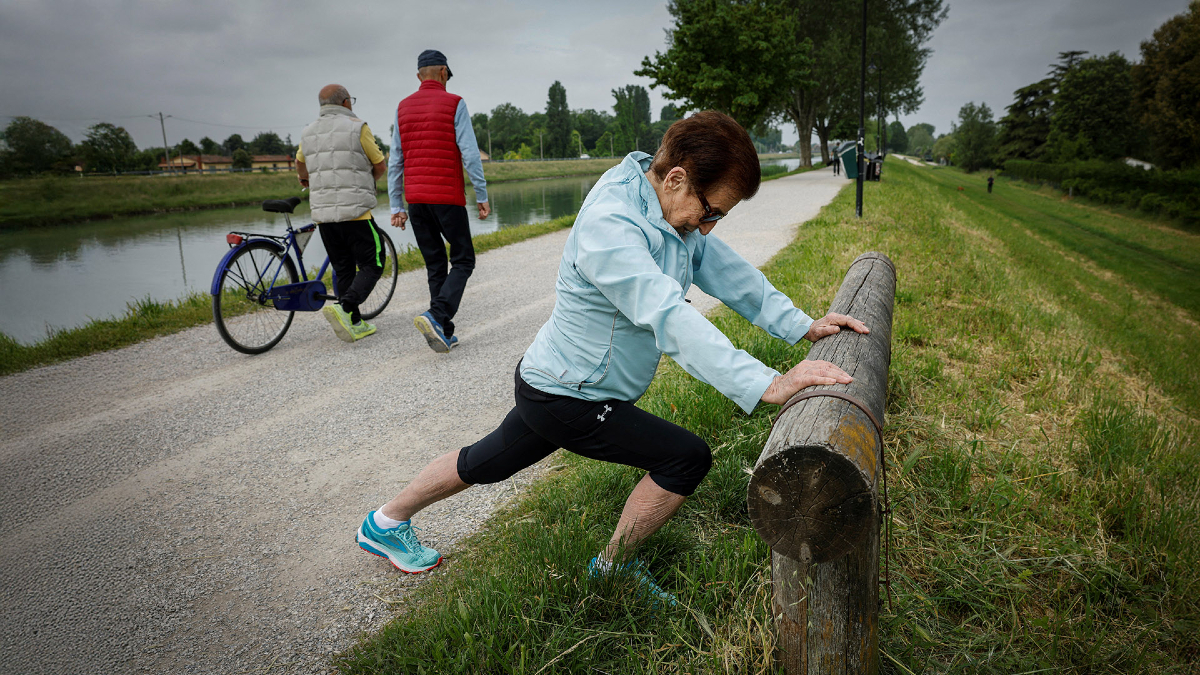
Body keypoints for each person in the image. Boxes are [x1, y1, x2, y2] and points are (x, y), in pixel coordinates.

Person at [355, 111, 868, 606]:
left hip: (552, 381)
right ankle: (612, 567)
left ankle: (384, 522)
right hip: (567, 394)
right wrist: (765, 383)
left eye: (719, 217)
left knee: (484, 463)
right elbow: (667, 314)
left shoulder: (668, 211)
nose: (708, 227)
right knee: (684, 458)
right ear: (675, 178)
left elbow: (726, 270)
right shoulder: (611, 224)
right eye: (710, 211)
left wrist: (802, 324)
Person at [388, 49, 490, 353]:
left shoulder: (402, 107)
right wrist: (481, 195)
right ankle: (437, 314)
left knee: (435, 264)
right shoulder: (454, 103)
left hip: (417, 200)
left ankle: (443, 330)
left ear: (420, 76)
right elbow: (470, 154)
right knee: (463, 259)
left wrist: (397, 206)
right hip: (447, 197)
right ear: (444, 72)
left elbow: (396, 160)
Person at [296, 84, 388, 343]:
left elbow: (300, 163)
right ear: (346, 102)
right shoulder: (358, 127)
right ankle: (345, 307)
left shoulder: (308, 131)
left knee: (343, 267)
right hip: (356, 212)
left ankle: (355, 322)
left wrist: (305, 180)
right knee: (374, 261)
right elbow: (379, 164)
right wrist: (368, 182)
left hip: (324, 215)